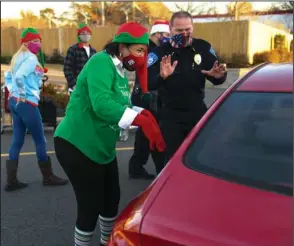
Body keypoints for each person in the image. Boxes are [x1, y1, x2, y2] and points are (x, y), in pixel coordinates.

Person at [53, 22, 165, 246]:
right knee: (90, 205)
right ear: (122, 47)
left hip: (101, 147)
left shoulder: (119, 69)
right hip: (77, 144)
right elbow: (102, 104)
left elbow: (121, 105)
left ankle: (107, 242)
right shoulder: (100, 62)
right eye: (139, 50)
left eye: (144, 52)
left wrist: (146, 116)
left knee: (111, 201)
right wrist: (140, 121)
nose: (142, 57)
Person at [148, 11, 228, 163]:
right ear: (170, 29)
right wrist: (162, 77)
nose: (184, 33)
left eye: (188, 29)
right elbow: (149, 83)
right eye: (179, 31)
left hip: (197, 113)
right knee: (172, 160)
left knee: (200, 158)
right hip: (171, 116)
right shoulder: (159, 53)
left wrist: (219, 76)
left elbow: (217, 77)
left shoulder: (203, 47)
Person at [3, 27, 68, 192]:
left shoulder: (18, 57)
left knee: (17, 140)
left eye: (39, 41)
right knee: (40, 140)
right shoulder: (31, 58)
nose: (38, 44)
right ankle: (48, 177)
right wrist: (23, 94)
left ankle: (11, 180)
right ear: (26, 43)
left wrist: (14, 92)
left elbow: (8, 76)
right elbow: (18, 77)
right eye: (34, 41)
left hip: (14, 102)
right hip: (27, 103)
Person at [128, 20, 171, 179]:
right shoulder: (150, 51)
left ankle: (137, 166)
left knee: (144, 134)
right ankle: (161, 169)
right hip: (147, 96)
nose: (168, 38)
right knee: (153, 132)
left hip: (148, 96)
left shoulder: (153, 49)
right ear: (157, 33)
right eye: (166, 34)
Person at [63, 23, 96, 94]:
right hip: (76, 87)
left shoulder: (93, 51)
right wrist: (73, 84)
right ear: (79, 35)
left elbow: (95, 69)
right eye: (83, 33)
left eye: (88, 33)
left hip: (90, 87)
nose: (86, 35)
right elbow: (67, 68)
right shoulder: (73, 49)